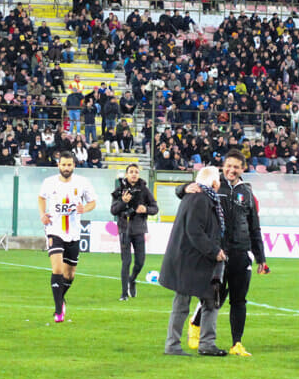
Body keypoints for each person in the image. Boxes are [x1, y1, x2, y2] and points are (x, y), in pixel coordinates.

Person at [188, 149, 268, 357]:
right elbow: (188, 193)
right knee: (215, 297)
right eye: (229, 166)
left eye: (236, 167)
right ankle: (195, 325)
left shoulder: (248, 193)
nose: (232, 170)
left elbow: (254, 227)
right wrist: (183, 188)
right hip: (219, 253)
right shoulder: (213, 185)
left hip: (242, 252)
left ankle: (237, 343)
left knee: (239, 300)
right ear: (223, 167)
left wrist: (261, 258)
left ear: (243, 169)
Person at [160, 165, 228, 356]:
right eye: (218, 181)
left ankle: (204, 343)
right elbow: (195, 231)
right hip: (192, 260)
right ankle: (177, 345)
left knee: (208, 299)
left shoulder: (198, 196)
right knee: (190, 302)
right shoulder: (201, 199)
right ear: (214, 183)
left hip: (192, 259)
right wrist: (214, 251)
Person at [38, 150, 96, 323]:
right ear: (58, 165)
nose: (66, 167)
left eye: (69, 164)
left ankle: (60, 298)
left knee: (69, 275)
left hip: (74, 233)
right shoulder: (49, 183)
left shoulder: (83, 183)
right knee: (57, 269)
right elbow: (41, 198)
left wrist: (84, 209)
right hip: (54, 230)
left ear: (74, 165)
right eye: (63, 164)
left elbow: (92, 201)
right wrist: (42, 214)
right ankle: (58, 311)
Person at [109, 164, 157, 300]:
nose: (134, 174)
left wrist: (146, 209)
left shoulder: (144, 190)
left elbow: (155, 207)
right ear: (126, 174)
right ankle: (124, 294)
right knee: (126, 261)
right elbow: (113, 210)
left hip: (139, 229)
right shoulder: (119, 190)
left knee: (140, 262)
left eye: (136, 172)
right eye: (131, 172)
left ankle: (132, 279)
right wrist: (123, 202)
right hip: (124, 229)